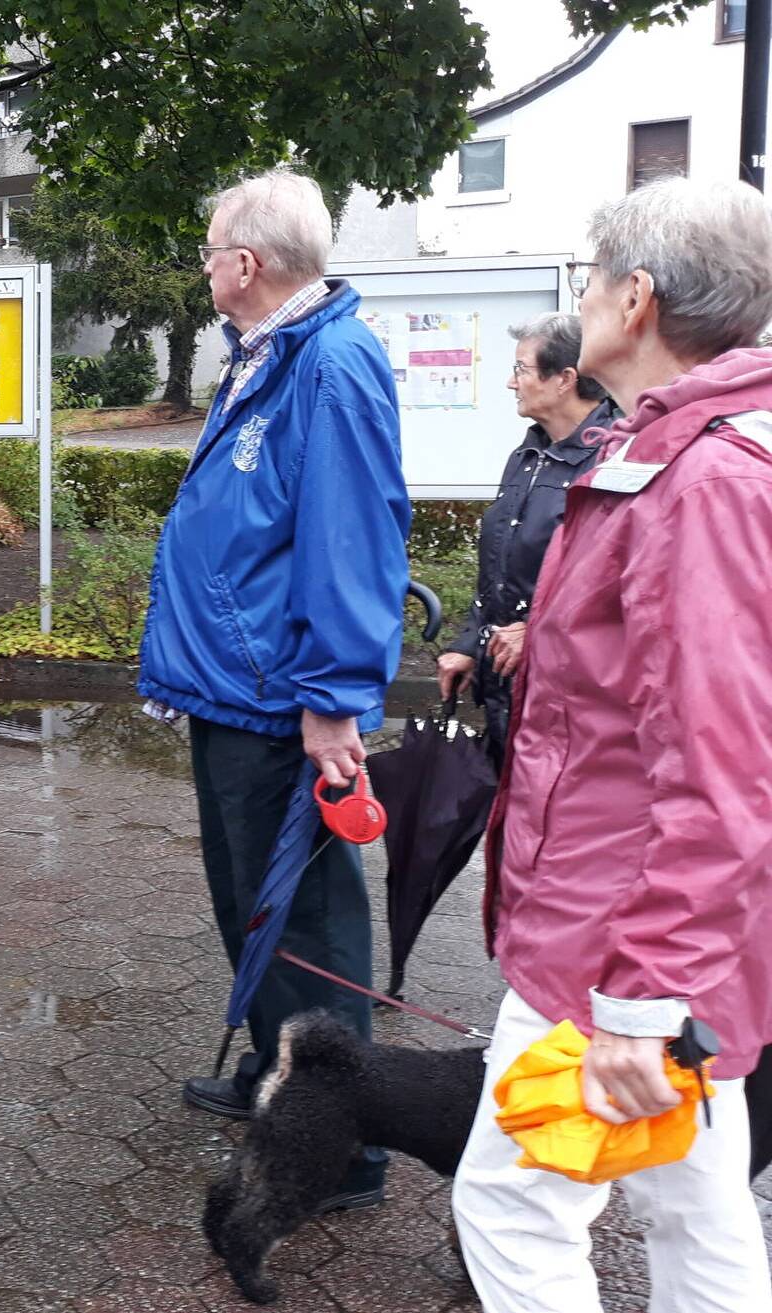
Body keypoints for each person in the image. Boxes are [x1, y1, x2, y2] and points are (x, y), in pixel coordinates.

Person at [454, 177, 772, 1313]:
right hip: (649, 926)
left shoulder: (704, 481)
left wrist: (643, 998)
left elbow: (723, 766)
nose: (577, 301)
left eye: (588, 280)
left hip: (616, 935)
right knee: (692, 1203)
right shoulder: (668, 452)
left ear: (633, 298)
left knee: (508, 1200)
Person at [136, 171, 409, 1213]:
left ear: (243, 265)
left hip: (280, 698)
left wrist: (333, 698)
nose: (204, 266)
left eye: (209, 250)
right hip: (234, 691)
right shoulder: (269, 353)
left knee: (307, 923)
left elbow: (350, 538)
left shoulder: (329, 364)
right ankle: (276, 1080)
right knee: (253, 910)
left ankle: (342, 1147)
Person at [436, 313, 613, 765]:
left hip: (566, 699)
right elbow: (497, 568)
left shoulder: (613, 460)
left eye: (521, 369)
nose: (511, 383)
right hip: (506, 688)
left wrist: (535, 634)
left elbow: (611, 589)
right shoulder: (529, 454)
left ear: (565, 379)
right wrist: (470, 644)